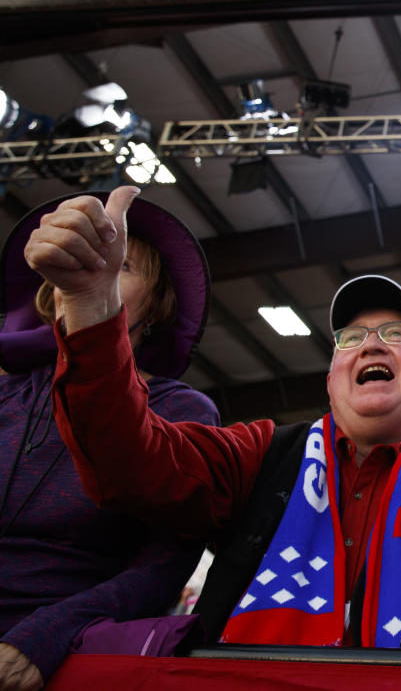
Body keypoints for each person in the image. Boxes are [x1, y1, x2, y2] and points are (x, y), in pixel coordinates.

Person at [23, 185, 401, 648]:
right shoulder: (259, 457)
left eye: (397, 335)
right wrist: (92, 305)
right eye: (351, 339)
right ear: (330, 379)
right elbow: (132, 465)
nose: (370, 345)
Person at [0, 191, 219, 690]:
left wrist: (41, 639)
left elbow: (163, 567)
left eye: (121, 266)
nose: (91, 268)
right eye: (77, 255)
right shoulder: (4, 392)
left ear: (158, 307)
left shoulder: (179, 411)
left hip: (55, 657)